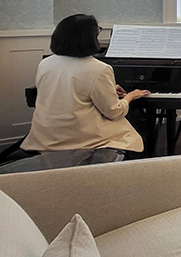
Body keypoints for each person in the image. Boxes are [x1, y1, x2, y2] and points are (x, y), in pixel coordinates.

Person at [22, 14, 150, 154]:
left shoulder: (45, 64)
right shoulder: (99, 68)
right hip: (79, 137)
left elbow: (69, 88)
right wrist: (130, 96)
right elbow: (114, 112)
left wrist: (110, 89)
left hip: (45, 135)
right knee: (131, 132)